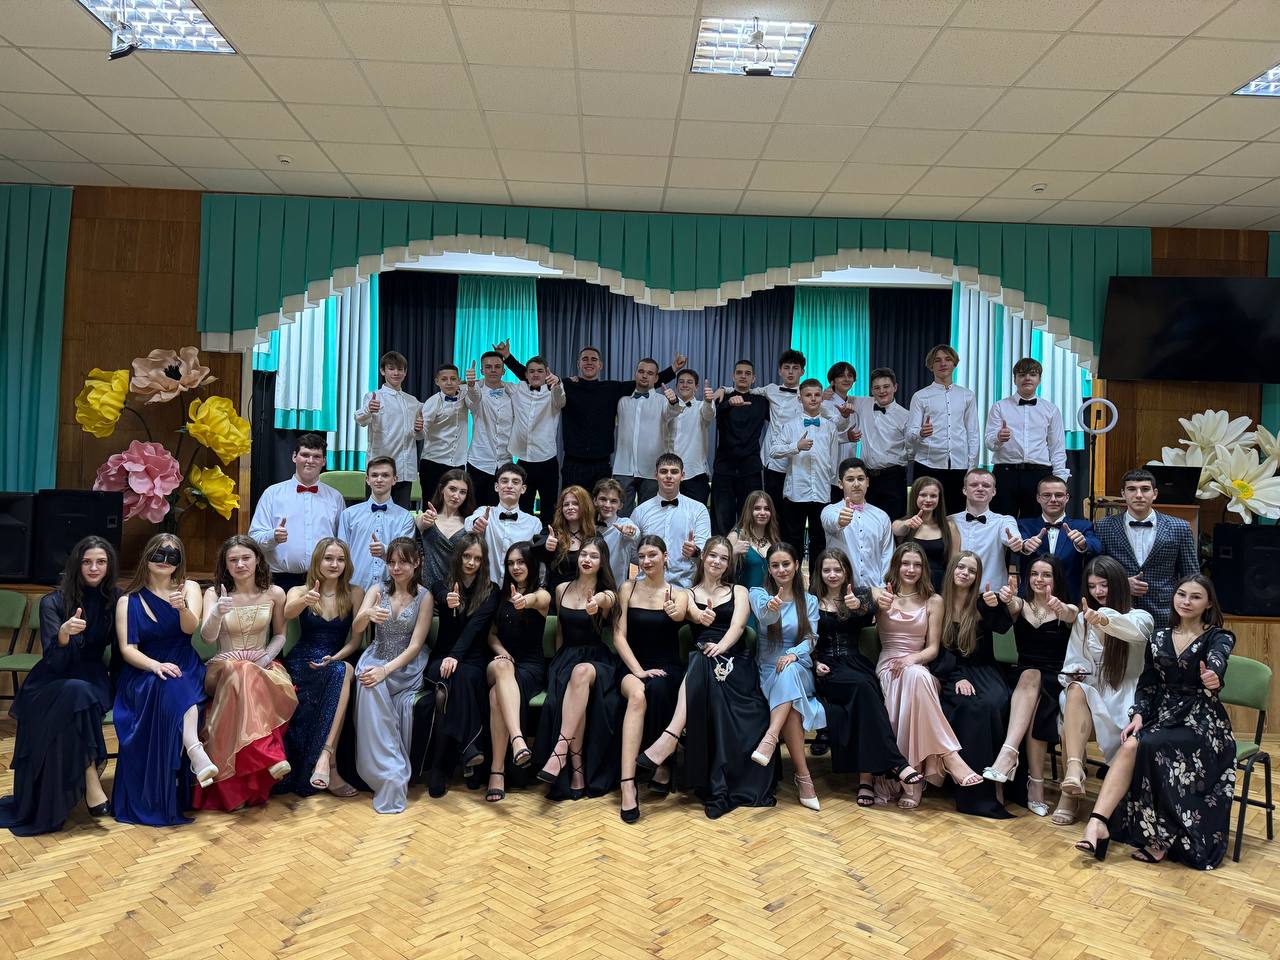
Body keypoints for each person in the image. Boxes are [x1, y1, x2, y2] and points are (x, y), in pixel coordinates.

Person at [1075, 575, 1236, 870]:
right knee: (1131, 744)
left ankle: (1160, 838)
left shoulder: (1218, 636)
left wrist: (1213, 676)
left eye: (1196, 597)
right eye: (1182, 594)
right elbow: (1148, 684)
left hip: (1202, 720)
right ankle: (1097, 823)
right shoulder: (1159, 637)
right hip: (1163, 714)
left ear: (1208, 603)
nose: (1186, 601)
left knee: (1151, 745)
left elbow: (1218, 661)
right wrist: (1138, 715)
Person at [635, 536, 775, 819]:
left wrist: (721, 646)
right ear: (703, 557)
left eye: (724, 558)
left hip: (735, 661)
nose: (717, 562)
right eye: (713, 555)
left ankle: (670, 737)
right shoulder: (687, 593)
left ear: (729, 563)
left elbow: (738, 627)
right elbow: (688, 613)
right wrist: (697, 616)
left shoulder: (739, 591)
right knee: (700, 659)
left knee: (702, 659)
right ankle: (674, 741)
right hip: (704, 664)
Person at [0, 537, 120, 834]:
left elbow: (120, 651)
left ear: (109, 566)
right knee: (76, 694)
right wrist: (64, 635)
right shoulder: (52, 602)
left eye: (101, 562)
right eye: (87, 562)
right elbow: (54, 662)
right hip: (52, 678)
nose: (94, 568)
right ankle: (90, 778)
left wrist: (123, 689)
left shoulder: (117, 599)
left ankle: (79, 782)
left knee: (80, 695)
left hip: (93, 677)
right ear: (77, 564)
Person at [870, 542, 984, 809]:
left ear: (924, 569)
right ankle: (948, 756)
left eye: (917, 564)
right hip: (888, 665)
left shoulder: (934, 601)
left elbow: (933, 649)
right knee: (913, 680)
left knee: (917, 678)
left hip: (918, 663)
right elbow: (860, 606)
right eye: (905, 564)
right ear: (896, 566)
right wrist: (875, 602)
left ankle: (911, 778)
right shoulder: (881, 594)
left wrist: (912, 659)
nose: (911, 569)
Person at [111, 534, 210, 827]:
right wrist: (155, 666)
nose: (165, 561)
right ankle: (194, 749)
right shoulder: (128, 600)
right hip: (145, 668)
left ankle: (193, 749)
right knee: (169, 681)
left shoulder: (189, 588)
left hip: (185, 661)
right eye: (159, 554)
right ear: (147, 556)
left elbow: (190, 629)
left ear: (179, 562)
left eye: (172, 556)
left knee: (177, 681)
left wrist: (182, 607)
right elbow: (128, 649)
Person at [193, 536, 296, 812]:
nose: (240, 564)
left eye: (245, 558)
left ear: (258, 560)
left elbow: (280, 635)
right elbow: (207, 638)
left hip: (262, 665)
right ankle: (270, 753)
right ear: (225, 565)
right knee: (238, 669)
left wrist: (264, 658)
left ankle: (235, 791)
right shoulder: (214, 593)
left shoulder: (275, 593)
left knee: (246, 672)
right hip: (222, 666)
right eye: (233, 560)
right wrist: (217, 613)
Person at [810, 549, 917, 808]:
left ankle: (867, 780)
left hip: (855, 662)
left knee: (866, 689)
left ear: (846, 571)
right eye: (827, 570)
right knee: (863, 688)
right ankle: (896, 763)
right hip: (827, 668)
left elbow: (873, 608)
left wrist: (859, 607)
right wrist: (814, 663)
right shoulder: (811, 600)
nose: (832, 575)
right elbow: (803, 637)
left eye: (838, 569)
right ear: (819, 573)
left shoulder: (859, 595)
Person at [499, 341, 679, 494]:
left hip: (602, 464)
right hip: (572, 463)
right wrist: (507, 358)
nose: (589, 362)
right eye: (585, 359)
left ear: (600, 365)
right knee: (571, 508)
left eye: (594, 359)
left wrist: (673, 370)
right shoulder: (566, 385)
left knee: (600, 511)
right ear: (578, 364)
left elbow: (645, 381)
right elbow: (533, 377)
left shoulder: (612, 388)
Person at [1053, 556, 1153, 826]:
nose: (1098, 591)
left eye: (1104, 585)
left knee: (1068, 719)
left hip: (1124, 696)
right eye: (1092, 586)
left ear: (1118, 584)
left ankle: (1072, 789)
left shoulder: (1141, 617)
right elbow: (1074, 660)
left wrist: (1104, 620)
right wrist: (1075, 671)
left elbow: (1134, 633)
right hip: (1090, 694)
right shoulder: (1083, 620)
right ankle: (1074, 773)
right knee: (1074, 689)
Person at [984, 556, 1077, 818]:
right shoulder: (1021, 605)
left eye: (1046, 575)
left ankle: (1008, 756)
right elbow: (1011, 604)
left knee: (1037, 691)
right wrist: (1006, 598)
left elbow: (1071, 614)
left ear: (1056, 579)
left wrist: (1061, 608)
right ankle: (1035, 786)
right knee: (1031, 679)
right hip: (1023, 677)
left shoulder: (1066, 607)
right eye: (1034, 573)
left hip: (1055, 678)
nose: (1039, 579)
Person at [535, 537, 623, 801]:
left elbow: (605, 600)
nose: (587, 560)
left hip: (596, 659)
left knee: (581, 673)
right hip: (565, 658)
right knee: (573, 685)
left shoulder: (609, 592)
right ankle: (577, 771)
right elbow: (560, 633)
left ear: (602, 562)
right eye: (584, 554)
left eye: (594, 556)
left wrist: (595, 603)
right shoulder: (561, 588)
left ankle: (560, 751)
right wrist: (556, 663)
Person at [277, 537, 364, 799]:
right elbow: (288, 613)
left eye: (340, 559)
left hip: (335, 658)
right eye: (328, 558)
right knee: (341, 673)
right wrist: (305, 599)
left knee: (342, 671)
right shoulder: (299, 590)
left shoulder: (355, 593)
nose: (334, 564)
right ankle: (326, 765)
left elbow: (355, 641)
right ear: (318, 560)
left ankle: (327, 760)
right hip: (301, 662)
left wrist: (334, 657)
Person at [352, 537, 432, 814]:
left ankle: (391, 769)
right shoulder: (376, 589)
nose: (396, 568)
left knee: (376, 679)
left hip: (405, 665)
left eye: (403, 562)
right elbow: (357, 627)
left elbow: (416, 646)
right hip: (376, 654)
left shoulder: (424, 596)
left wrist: (386, 670)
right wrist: (367, 614)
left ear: (416, 563)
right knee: (368, 679)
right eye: (391, 562)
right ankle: (387, 771)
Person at [416, 533, 500, 797]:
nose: (471, 562)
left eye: (477, 558)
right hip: (441, 658)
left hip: (472, 660)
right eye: (467, 556)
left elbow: (475, 628)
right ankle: (468, 752)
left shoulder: (492, 590)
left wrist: (456, 656)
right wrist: (447, 599)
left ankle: (441, 767)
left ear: (483, 561)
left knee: (448, 689)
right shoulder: (442, 585)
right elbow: (440, 594)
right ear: (458, 556)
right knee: (448, 683)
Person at [612, 536, 687, 823]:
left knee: (659, 686)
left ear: (665, 557)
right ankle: (627, 784)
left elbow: (686, 614)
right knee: (639, 693)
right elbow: (619, 636)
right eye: (641, 556)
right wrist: (638, 670)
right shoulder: (627, 588)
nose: (646, 561)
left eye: (652, 555)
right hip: (632, 664)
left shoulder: (678, 593)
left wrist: (677, 613)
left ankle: (663, 763)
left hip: (667, 665)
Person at [935, 551, 1015, 820]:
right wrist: (958, 677)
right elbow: (937, 650)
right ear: (952, 570)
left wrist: (997, 606)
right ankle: (973, 791)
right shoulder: (938, 602)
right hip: (950, 672)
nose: (965, 573)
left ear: (977, 576)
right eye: (961, 567)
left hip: (984, 669)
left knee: (994, 701)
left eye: (971, 570)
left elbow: (1003, 628)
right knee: (973, 707)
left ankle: (997, 781)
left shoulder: (983, 602)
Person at [747, 542, 825, 812]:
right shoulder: (758, 594)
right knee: (791, 709)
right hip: (769, 669)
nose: (781, 569)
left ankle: (770, 738)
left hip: (798, 665)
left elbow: (811, 637)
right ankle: (804, 778)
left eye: (786, 564)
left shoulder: (809, 601)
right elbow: (765, 619)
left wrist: (793, 653)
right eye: (775, 565)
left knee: (790, 670)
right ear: (768, 569)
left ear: (796, 565)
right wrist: (772, 607)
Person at [484, 542, 551, 803]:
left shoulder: (542, 595)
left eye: (521, 562)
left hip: (530, 667)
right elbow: (491, 635)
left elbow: (538, 600)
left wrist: (525, 601)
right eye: (511, 563)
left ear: (531, 565)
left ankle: (497, 771)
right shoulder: (499, 596)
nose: (516, 567)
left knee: (495, 697)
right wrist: (502, 651)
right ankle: (518, 740)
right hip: (502, 661)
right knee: (503, 666)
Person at [1094, 468, 1199, 616]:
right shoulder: (1104, 526)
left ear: (1154, 493)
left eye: (1145, 489)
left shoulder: (1180, 527)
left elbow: (1191, 575)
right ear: (1123, 494)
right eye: (1132, 489)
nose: (1138, 495)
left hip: (1165, 612)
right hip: (1119, 611)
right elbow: (1096, 572)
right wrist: (1121, 584)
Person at [248, 432, 345, 591]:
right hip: (279, 581)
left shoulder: (336, 498)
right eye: (305, 455)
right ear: (294, 457)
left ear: (324, 461)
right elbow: (253, 540)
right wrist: (273, 536)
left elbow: (342, 542)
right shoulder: (272, 494)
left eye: (316, 456)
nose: (310, 461)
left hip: (324, 580)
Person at [770, 378, 850, 565]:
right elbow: (773, 451)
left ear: (822, 398)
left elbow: (833, 460)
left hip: (822, 492)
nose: (813, 399)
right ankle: (793, 579)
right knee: (792, 540)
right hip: (795, 492)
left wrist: (832, 486)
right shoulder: (790, 426)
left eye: (816, 395)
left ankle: (817, 581)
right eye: (808, 395)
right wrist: (795, 446)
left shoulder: (830, 427)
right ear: (800, 399)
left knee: (820, 540)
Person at [985, 358, 1069, 519]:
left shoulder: (1051, 409)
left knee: (1035, 524)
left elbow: (1057, 447)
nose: (1027, 378)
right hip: (1005, 473)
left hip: (1039, 474)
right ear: (1015, 379)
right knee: (1000, 521)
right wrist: (998, 438)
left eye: (1033, 374)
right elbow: (989, 443)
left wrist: (1059, 480)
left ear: (1039, 379)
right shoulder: (999, 406)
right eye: (1022, 375)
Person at [908, 344, 978, 511]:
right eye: (937, 360)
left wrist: (972, 468)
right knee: (924, 514)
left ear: (954, 363)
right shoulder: (920, 396)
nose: (943, 363)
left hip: (959, 466)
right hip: (927, 464)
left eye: (947, 359)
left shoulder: (967, 395)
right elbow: (909, 435)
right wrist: (920, 433)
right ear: (931, 365)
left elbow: (973, 433)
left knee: (956, 515)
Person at [630, 453, 712, 589]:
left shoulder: (698, 509)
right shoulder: (640, 512)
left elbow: (706, 551)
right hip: (647, 586)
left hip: (686, 586)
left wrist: (694, 552)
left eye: (674, 472)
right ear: (656, 475)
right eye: (664, 471)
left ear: (682, 475)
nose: (669, 476)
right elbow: (633, 554)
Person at [354, 350, 422, 508]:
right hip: (380, 469)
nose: (396, 373)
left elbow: (419, 434)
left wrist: (419, 430)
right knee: (375, 513)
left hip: (405, 470)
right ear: (382, 371)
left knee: (402, 515)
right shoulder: (373, 396)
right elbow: (360, 420)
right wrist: (368, 410)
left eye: (400, 369)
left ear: (405, 372)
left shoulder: (413, 401)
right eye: (391, 369)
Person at [1016, 475, 1100, 600]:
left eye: (1059, 495)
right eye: (1047, 495)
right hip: (1031, 598)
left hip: (1070, 598)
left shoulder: (1083, 526)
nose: (1053, 499)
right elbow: (1018, 544)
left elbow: (1097, 547)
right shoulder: (1024, 525)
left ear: (1067, 498)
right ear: (1038, 498)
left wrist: (1083, 544)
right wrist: (1025, 545)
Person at [337, 456, 415, 590]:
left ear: (394, 480)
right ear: (367, 479)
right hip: (354, 588)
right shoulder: (348, 514)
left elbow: (406, 555)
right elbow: (341, 553)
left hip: (392, 590)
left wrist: (386, 551)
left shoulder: (406, 517)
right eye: (374, 475)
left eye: (385, 475)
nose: (379, 479)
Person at [503, 354, 565, 524]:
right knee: (523, 509)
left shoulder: (554, 392)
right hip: (523, 460)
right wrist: (466, 384)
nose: (535, 374)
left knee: (549, 510)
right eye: (531, 371)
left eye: (540, 371)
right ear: (526, 374)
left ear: (547, 373)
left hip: (547, 460)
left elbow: (560, 400)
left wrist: (557, 384)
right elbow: (493, 383)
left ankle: (547, 539)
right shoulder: (517, 389)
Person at [711, 359, 770, 534]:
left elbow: (783, 416)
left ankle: (749, 552)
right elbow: (712, 413)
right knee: (721, 521)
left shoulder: (762, 401)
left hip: (751, 468)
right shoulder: (722, 398)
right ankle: (722, 552)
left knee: (751, 521)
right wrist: (728, 400)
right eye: (739, 373)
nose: (743, 376)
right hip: (724, 468)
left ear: (754, 378)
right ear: (733, 376)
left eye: (747, 373)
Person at [464, 462, 544, 585]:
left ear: (523, 489)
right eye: (504, 481)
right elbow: (469, 523)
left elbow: (538, 560)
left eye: (515, 482)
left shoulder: (534, 523)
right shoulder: (484, 511)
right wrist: (477, 523)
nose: (509, 486)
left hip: (519, 590)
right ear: (496, 487)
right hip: (486, 589)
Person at [822, 457, 893, 590]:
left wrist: (882, 588)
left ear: (867, 482)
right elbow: (830, 522)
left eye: (860, 479)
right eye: (850, 479)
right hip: (840, 591)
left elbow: (887, 555)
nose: (856, 484)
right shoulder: (830, 511)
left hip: (874, 591)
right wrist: (840, 521)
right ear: (840, 484)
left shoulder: (882, 516)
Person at [613, 357, 673, 511]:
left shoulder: (663, 401)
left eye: (650, 373)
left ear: (656, 378)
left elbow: (673, 412)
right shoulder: (622, 401)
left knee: (650, 517)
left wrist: (673, 402)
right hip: (623, 469)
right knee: (620, 517)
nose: (645, 375)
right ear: (635, 374)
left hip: (651, 470)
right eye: (641, 371)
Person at [852, 367, 912, 520]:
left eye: (886, 386)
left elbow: (912, 449)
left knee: (894, 523)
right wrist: (829, 392)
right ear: (871, 390)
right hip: (867, 477)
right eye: (877, 388)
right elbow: (840, 397)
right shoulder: (863, 403)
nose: (882, 391)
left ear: (895, 387)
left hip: (894, 477)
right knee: (868, 522)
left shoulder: (906, 416)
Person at [752, 349, 808, 512]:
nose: (790, 372)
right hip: (772, 459)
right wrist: (723, 389)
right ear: (780, 371)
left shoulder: (808, 395)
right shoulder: (771, 389)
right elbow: (747, 391)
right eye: (786, 367)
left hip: (797, 459)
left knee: (793, 509)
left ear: (802, 371)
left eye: (795, 368)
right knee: (771, 506)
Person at [950, 467, 1022, 591]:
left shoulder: (1004, 521)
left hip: (992, 594)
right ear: (964, 490)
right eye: (974, 485)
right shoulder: (950, 521)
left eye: (986, 485)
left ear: (994, 492)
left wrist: (1016, 542)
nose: (980, 488)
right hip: (956, 593)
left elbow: (1013, 537)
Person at [465, 350, 515, 508]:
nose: (493, 370)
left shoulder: (513, 391)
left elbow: (530, 382)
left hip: (505, 462)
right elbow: (473, 399)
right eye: (488, 367)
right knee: (475, 511)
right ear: (482, 371)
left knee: (501, 511)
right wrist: (471, 385)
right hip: (478, 462)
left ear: (503, 370)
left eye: (497, 366)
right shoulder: (475, 391)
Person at [893, 476, 959, 593]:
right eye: (923, 495)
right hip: (910, 582)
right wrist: (907, 524)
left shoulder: (949, 526)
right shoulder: (902, 523)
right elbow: (897, 530)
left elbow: (953, 563)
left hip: (940, 584)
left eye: (933, 496)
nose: (928, 500)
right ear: (915, 496)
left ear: (939, 499)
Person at [661, 369, 715, 504]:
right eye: (681, 382)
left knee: (696, 514)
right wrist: (673, 403)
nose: (685, 385)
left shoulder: (702, 406)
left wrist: (708, 401)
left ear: (696, 387)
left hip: (696, 473)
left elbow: (709, 414)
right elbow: (669, 413)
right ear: (676, 386)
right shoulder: (667, 405)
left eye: (689, 382)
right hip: (670, 473)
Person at [418, 363, 471, 500]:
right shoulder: (432, 402)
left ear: (459, 380)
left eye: (453, 379)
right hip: (434, 462)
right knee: (431, 504)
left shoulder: (465, 394)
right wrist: (418, 429)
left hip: (458, 463)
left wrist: (469, 383)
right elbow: (421, 433)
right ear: (437, 382)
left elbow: (477, 388)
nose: (449, 383)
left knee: (456, 503)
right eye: (444, 379)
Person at [416, 469, 474, 589]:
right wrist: (424, 521)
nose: (456, 496)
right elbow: (420, 523)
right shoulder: (427, 516)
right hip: (427, 588)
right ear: (442, 489)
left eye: (462, 492)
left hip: (456, 589)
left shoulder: (469, 523)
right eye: (452, 489)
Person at [539, 485, 597, 599]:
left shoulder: (594, 536)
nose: (570, 507)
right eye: (566, 504)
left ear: (585, 506)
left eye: (575, 503)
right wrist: (546, 546)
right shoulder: (550, 533)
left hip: (585, 599)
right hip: (555, 598)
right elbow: (538, 559)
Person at [727, 491, 777, 591]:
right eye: (757, 508)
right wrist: (733, 553)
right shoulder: (736, 536)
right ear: (749, 511)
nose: (762, 513)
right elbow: (721, 573)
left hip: (769, 598)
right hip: (743, 597)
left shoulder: (773, 539)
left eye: (767, 509)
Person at [593, 478, 639, 586]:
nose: (607, 505)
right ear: (595, 501)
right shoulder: (588, 525)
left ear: (620, 505)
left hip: (615, 590)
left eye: (613, 501)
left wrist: (630, 532)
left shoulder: (624, 523)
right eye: (603, 499)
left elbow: (635, 532)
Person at [822, 361, 859, 471]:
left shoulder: (855, 404)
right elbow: (823, 436)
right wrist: (846, 437)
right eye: (841, 376)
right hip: (828, 466)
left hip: (849, 465)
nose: (846, 379)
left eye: (850, 376)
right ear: (833, 381)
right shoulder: (824, 404)